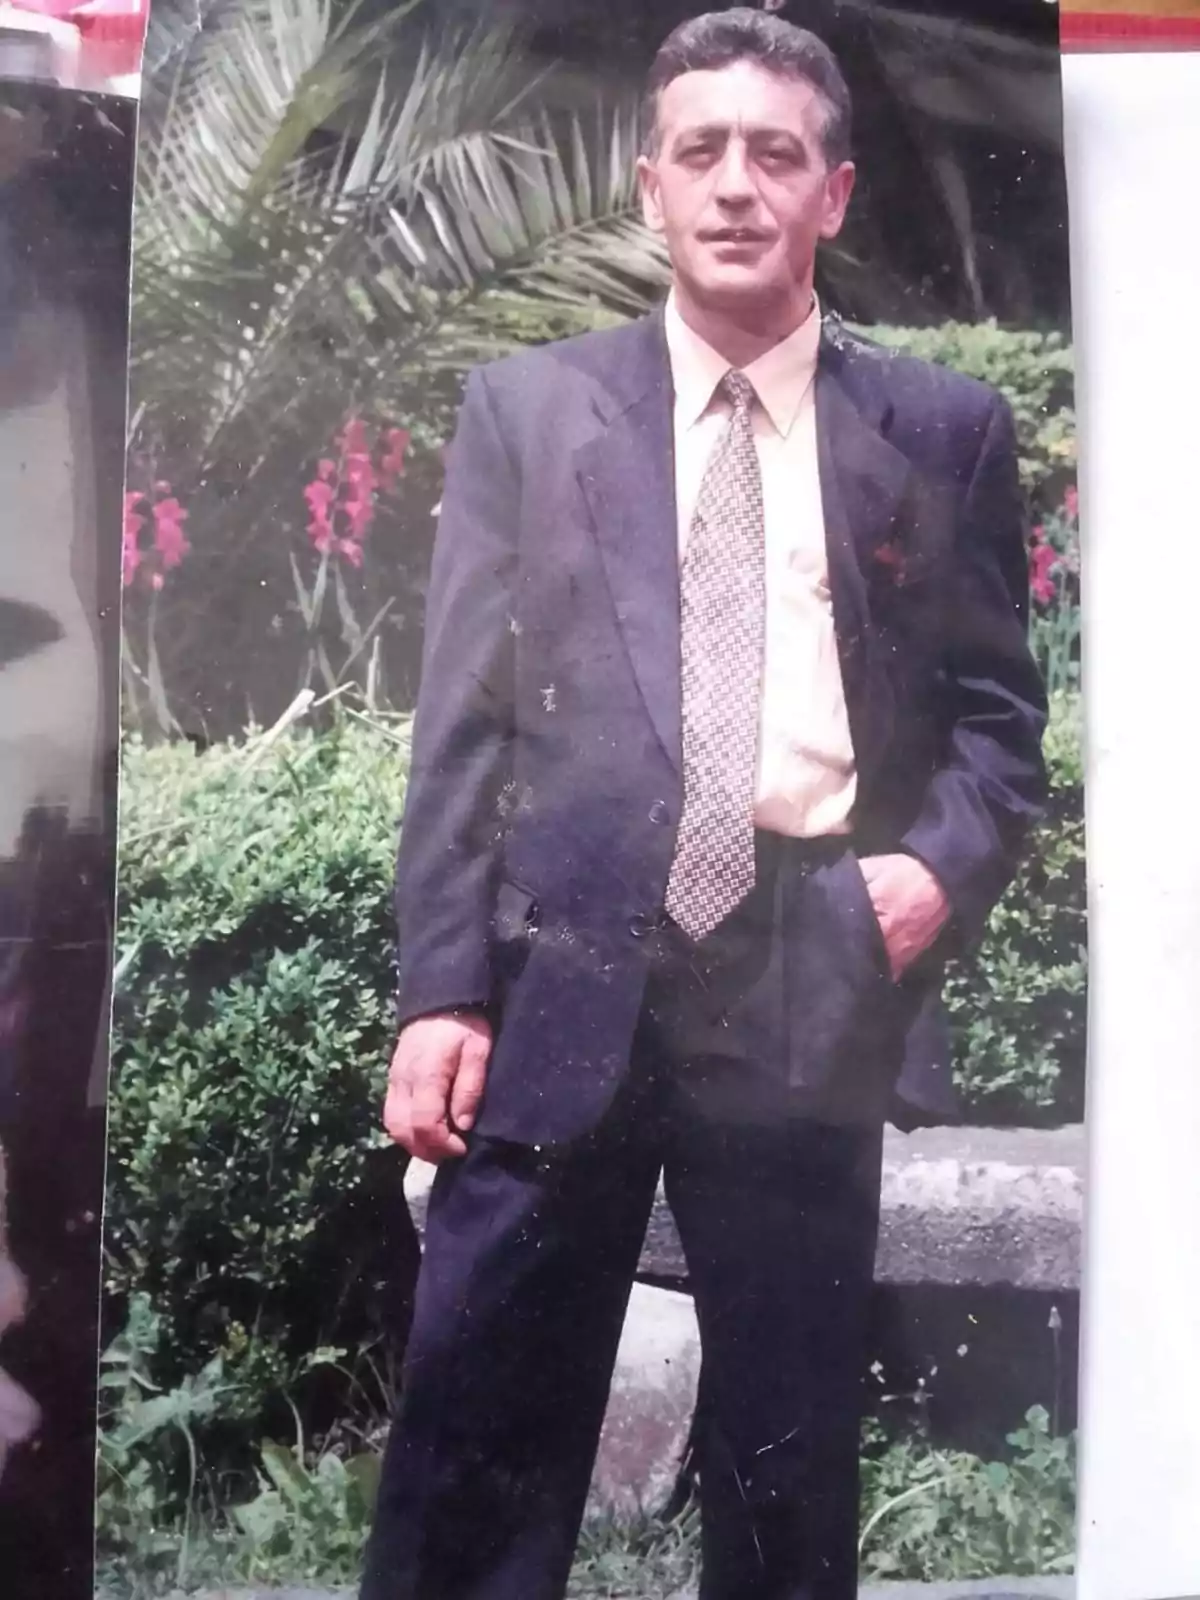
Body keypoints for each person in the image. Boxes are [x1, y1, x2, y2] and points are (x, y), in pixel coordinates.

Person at [361, 10, 1047, 1600]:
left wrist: (926, 878)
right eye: (702, 151)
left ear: (836, 194)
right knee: (479, 1425)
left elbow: (1002, 735)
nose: (738, 185)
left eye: (777, 153)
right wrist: (443, 992)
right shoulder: (529, 416)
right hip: (562, 971)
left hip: (809, 961)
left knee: (786, 1439)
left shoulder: (940, 432)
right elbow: (459, 730)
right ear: (650, 188)